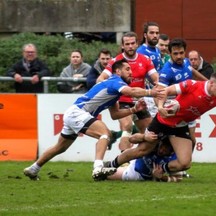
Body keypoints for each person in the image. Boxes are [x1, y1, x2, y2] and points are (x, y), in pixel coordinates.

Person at [23, 59, 163, 181]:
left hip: (74, 113)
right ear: (118, 72)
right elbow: (131, 92)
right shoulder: (115, 81)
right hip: (78, 113)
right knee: (105, 134)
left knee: (60, 147)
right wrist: (151, 92)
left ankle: (33, 168)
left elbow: (115, 114)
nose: (131, 72)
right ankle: (98, 168)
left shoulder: (114, 90)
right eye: (127, 69)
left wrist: (133, 110)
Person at [105, 72, 216, 176]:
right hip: (163, 121)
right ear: (211, 83)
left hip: (180, 127)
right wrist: (161, 107)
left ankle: (162, 169)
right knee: (142, 150)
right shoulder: (192, 85)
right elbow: (165, 91)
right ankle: (110, 165)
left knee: (185, 163)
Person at [97, 32, 159, 152]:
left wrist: (159, 85)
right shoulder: (116, 61)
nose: (130, 46)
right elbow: (100, 78)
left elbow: (156, 78)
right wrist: (106, 92)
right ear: (122, 46)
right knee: (127, 126)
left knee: (150, 131)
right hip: (121, 100)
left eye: (132, 43)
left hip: (139, 101)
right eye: (127, 44)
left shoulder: (145, 59)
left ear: (137, 44)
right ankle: (123, 161)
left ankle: (142, 159)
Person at [158, 38, 208, 148]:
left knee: (192, 141)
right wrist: (160, 107)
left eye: (181, 53)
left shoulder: (185, 61)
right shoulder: (167, 70)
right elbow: (159, 92)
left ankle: (183, 163)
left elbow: (193, 71)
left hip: (189, 109)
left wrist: (208, 83)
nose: (179, 56)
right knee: (173, 143)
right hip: (176, 111)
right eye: (175, 54)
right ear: (170, 53)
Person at [106, 133, 182, 182]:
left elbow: (178, 178)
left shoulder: (175, 158)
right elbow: (131, 139)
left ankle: (119, 167)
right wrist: (144, 137)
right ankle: (117, 164)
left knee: (106, 175)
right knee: (128, 153)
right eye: (162, 147)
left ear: (172, 150)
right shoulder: (154, 142)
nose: (161, 151)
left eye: (165, 150)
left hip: (137, 173)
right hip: (136, 160)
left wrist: (162, 177)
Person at [137, 21, 162, 118]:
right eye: (151, 33)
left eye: (157, 33)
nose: (155, 35)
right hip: (147, 95)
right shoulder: (141, 51)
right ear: (145, 35)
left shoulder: (157, 49)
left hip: (157, 93)